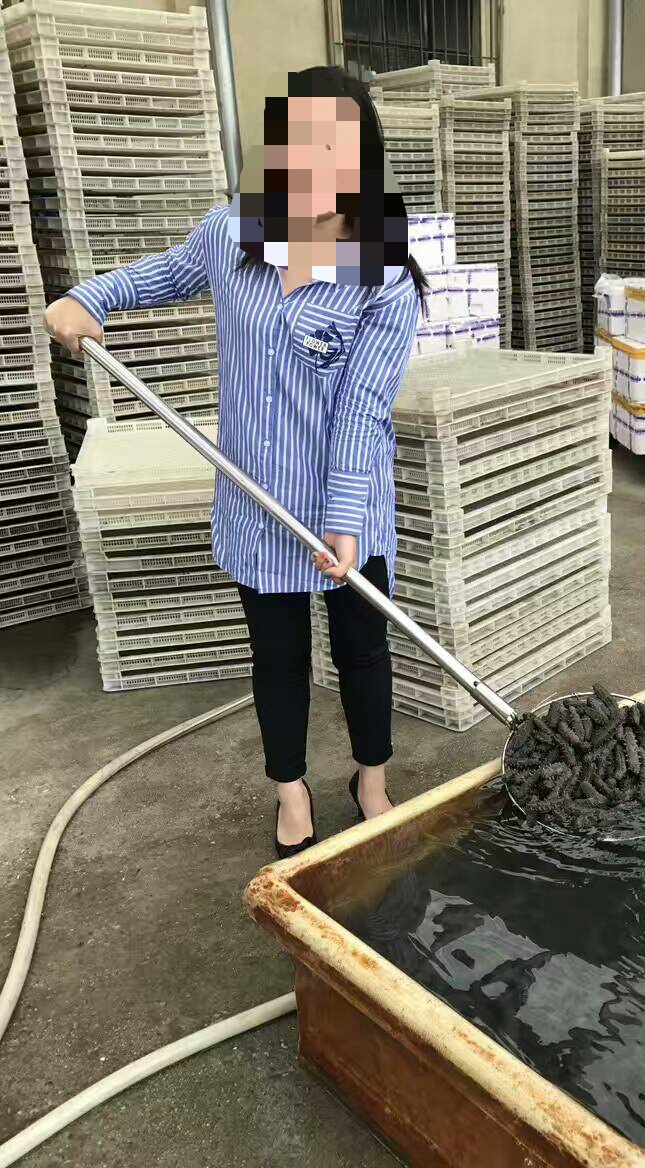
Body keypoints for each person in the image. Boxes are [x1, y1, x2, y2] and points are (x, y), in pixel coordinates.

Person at [45, 67, 424, 856]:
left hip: (350, 504)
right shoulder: (233, 235)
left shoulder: (382, 276)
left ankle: (371, 780)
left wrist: (343, 518)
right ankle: (291, 791)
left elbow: (362, 409)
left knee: (362, 650)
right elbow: (161, 274)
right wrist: (89, 298)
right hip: (257, 502)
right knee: (278, 658)